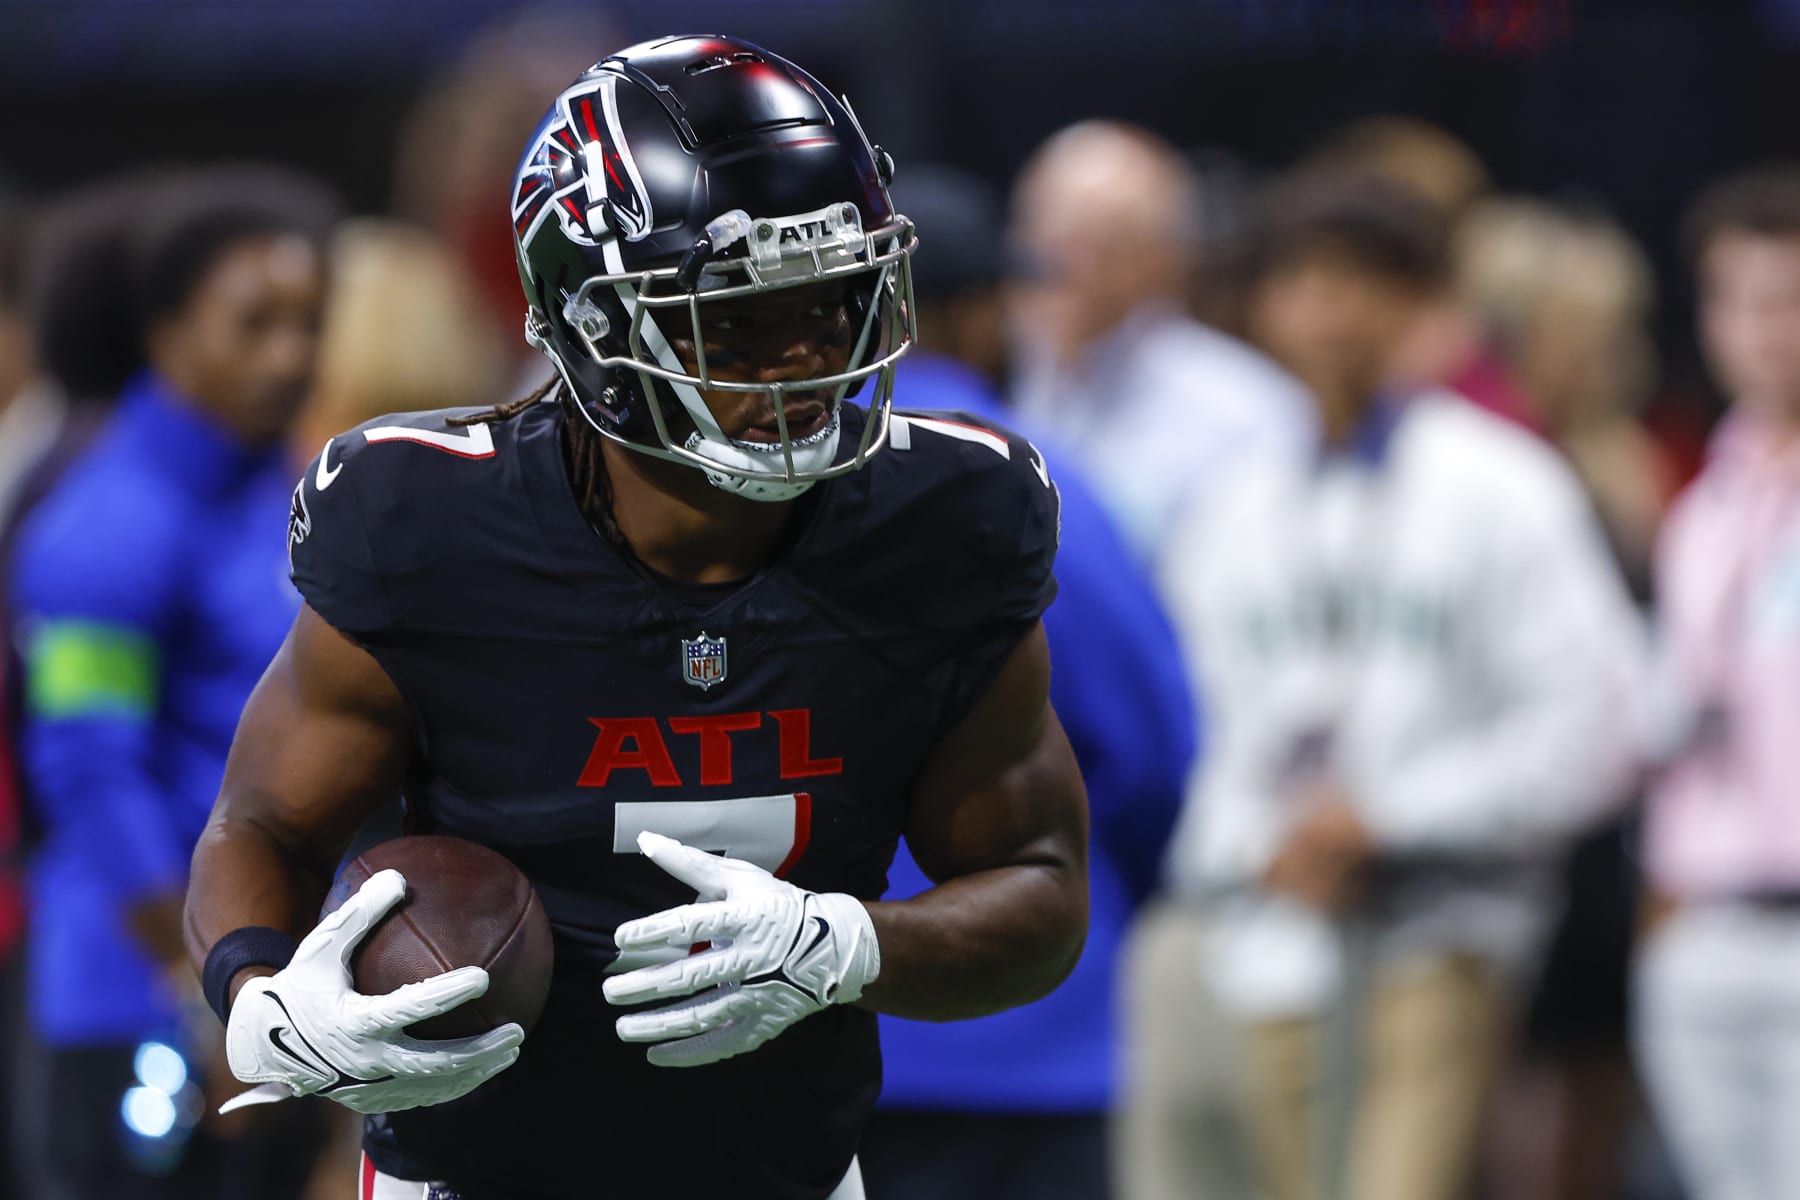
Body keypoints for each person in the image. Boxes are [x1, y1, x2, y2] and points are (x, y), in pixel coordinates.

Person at [183, 35, 1088, 1200]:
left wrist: (851, 945)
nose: (810, 359)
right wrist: (261, 999)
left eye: (835, 299)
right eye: (745, 321)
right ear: (594, 327)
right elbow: (261, 825)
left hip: (786, 1176)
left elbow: (1041, 881)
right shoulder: (426, 528)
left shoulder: (947, 524)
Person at [1158, 172, 1639, 1200]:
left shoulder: (1503, 486)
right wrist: (1258, 842)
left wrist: (1392, 819)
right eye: (1301, 282)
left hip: (1443, 934)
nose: (1328, 312)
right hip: (1270, 936)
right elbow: (1199, 730)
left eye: (1361, 282)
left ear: (1426, 305)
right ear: (1261, 308)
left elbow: (1596, 726)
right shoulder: (1233, 507)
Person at [856, 166, 1193, 1200]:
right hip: (1026, 1028)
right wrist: (1069, 876)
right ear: (973, 310)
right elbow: (1154, 752)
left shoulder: (745, 491)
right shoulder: (1037, 487)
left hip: (799, 1025)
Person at [10, 168, 337, 1197]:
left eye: (308, 323)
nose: (290, 355)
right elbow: (87, 775)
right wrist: (199, 992)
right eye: (254, 324)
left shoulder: (291, 491)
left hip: (278, 997)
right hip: (141, 1007)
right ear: (165, 330)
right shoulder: (101, 527)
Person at [1635, 164, 1800, 1200]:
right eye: (1735, 299)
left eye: (1787, 300)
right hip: (1706, 925)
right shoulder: (1703, 508)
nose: (1763, 329)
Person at [1006, 120, 1312, 564]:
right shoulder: (992, 374)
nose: (1062, 264)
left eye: (1103, 243)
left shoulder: (1249, 410)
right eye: (1046, 234)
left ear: (1169, 258)